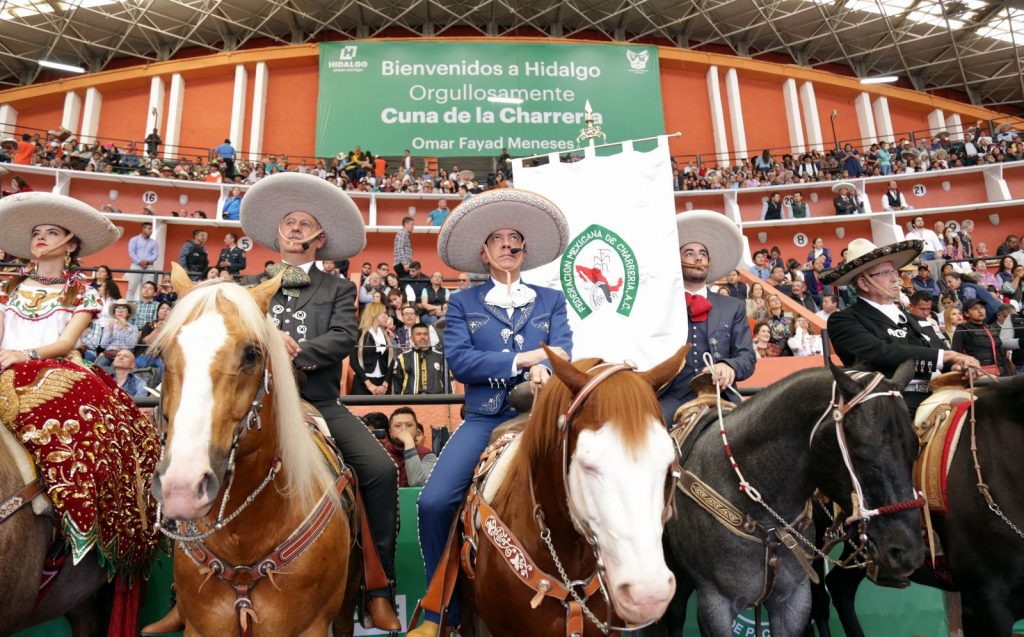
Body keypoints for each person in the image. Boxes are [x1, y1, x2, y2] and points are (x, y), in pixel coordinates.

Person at [237, 172, 402, 629]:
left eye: (304, 223)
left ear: (320, 238)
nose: (294, 228)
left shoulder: (339, 288)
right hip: (256, 405)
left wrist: (295, 352)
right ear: (278, 235)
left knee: (380, 470)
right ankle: (184, 592)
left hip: (317, 404)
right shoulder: (249, 284)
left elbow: (345, 338)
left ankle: (377, 588)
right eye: (288, 222)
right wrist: (272, 340)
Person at [409, 189, 573, 637]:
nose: (506, 243)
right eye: (497, 238)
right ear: (484, 253)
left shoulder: (551, 300)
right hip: (483, 418)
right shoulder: (463, 302)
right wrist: (525, 361)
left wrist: (548, 368)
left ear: (524, 250)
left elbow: (564, 354)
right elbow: (461, 362)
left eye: (514, 237)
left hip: (542, 418)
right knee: (434, 502)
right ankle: (440, 607)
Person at [0, 191, 158, 589]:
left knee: (65, 428)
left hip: (52, 367)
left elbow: (67, 342)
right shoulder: (12, 286)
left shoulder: (82, 290)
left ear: (70, 244)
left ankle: (58, 513)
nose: (40, 238)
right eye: (36, 232)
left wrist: (25, 354)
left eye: (51, 232)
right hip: (6, 361)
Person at [823, 238, 980, 413]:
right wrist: (949, 356)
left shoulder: (916, 319)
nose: (894, 278)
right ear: (863, 283)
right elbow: (879, 352)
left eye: (894, 271)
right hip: (890, 405)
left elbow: (938, 356)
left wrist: (958, 366)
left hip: (938, 395)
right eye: (885, 273)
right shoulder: (844, 319)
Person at [658, 211, 755, 425]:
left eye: (702, 253)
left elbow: (747, 358)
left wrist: (729, 366)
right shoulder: (660, 306)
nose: (698, 257)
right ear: (678, 261)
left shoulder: (733, 307)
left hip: (720, 396)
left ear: (708, 262)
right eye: (689, 253)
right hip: (670, 398)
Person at [349, 302, 395, 396]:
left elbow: (391, 361)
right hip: (362, 383)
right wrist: (369, 385)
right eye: (384, 313)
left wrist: (385, 385)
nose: (387, 317)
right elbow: (353, 361)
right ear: (375, 314)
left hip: (383, 384)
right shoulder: (359, 334)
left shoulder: (387, 336)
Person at [392, 323, 451, 395]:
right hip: (410, 401)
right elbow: (396, 386)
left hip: (436, 402)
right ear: (411, 338)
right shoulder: (402, 358)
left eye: (425, 334)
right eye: (418, 334)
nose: (422, 337)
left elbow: (447, 384)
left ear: (429, 337)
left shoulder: (440, 356)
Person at [953, 298, 1006, 376]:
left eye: (982, 307)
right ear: (966, 313)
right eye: (975, 308)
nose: (980, 311)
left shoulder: (991, 328)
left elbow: (1001, 352)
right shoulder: (962, 329)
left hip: (999, 371)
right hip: (978, 373)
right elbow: (956, 353)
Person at [384, 407, 436, 488]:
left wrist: (408, 442)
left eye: (409, 425)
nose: (404, 429)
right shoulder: (382, 454)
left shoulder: (427, 455)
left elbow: (417, 482)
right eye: (398, 426)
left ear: (416, 430)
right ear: (390, 432)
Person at [125, 221, 159, 301]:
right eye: (149, 229)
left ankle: (144, 308)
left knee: (149, 289)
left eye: (151, 229)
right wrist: (140, 262)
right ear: (143, 229)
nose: (151, 231)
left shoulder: (154, 242)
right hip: (136, 265)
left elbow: (155, 255)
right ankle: (129, 309)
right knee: (131, 288)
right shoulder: (134, 240)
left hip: (149, 266)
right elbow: (131, 253)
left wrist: (146, 261)